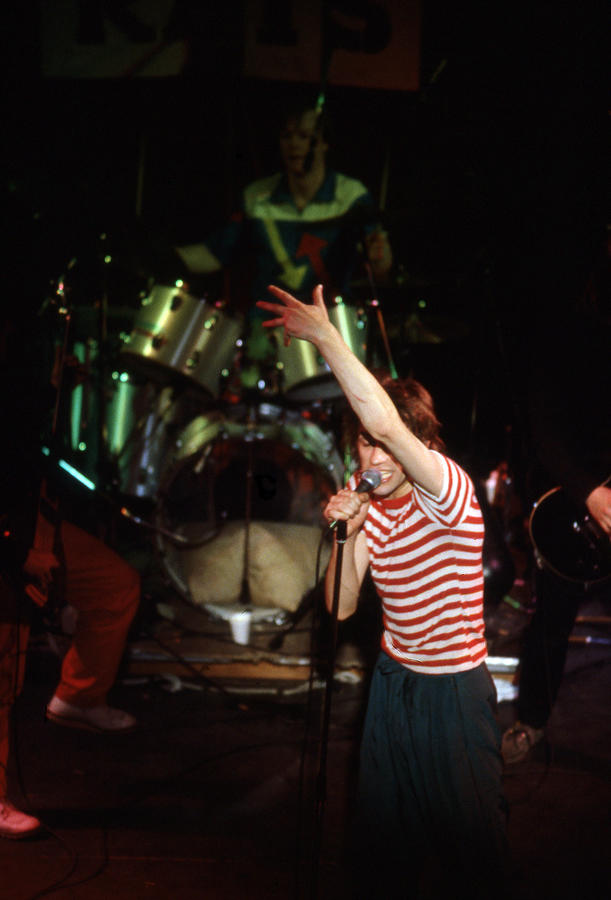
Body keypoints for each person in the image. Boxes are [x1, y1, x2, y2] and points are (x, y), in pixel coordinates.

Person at [256, 284, 509, 899]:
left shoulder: (445, 488)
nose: (372, 452)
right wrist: (349, 532)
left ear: (414, 444)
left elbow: (385, 422)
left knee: (474, 855)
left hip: (452, 692)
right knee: (383, 848)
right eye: (364, 444)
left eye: (383, 442)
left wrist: (326, 338)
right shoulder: (367, 494)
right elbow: (340, 605)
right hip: (393, 684)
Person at [0, 301, 141, 840]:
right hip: (11, 545)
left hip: (28, 523)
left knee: (116, 585)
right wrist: (16, 554)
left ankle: (78, 696)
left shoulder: (25, 372)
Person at [174, 100, 392, 388]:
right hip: (263, 330)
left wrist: (380, 257)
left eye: (304, 137)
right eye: (287, 136)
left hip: (331, 331)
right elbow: (215, 254)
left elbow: (381, 266)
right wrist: (161, 257)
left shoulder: (350, 196)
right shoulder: (258, 196)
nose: (294, 145)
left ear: (324, 144)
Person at [501, 271, 611, 765]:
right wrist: (589, 493)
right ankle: (531, 722)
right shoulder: (568, 334)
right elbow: (543, 424)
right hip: (573, 503)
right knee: (550, 621)